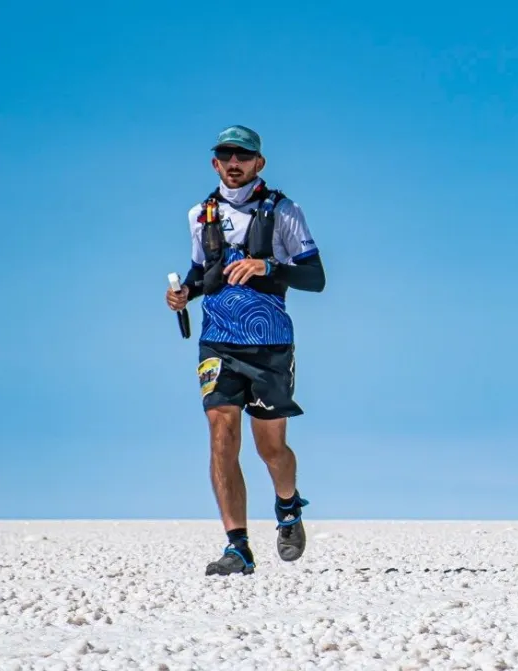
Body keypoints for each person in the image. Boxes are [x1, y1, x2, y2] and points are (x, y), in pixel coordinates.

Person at [165, 125, 326, 576]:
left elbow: (316, 278)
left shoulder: (285, 212)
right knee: (221, 436)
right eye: (225, 155)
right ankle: (238, 547)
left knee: (271, 448)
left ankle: (288, 507)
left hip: (270, 343)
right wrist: (184, 295)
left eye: (243, 155)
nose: (234, 162)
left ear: (260, 163)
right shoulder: (201, 214)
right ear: (215, 163)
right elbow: (202, 272)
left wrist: (268, 264)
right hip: (217, 341)